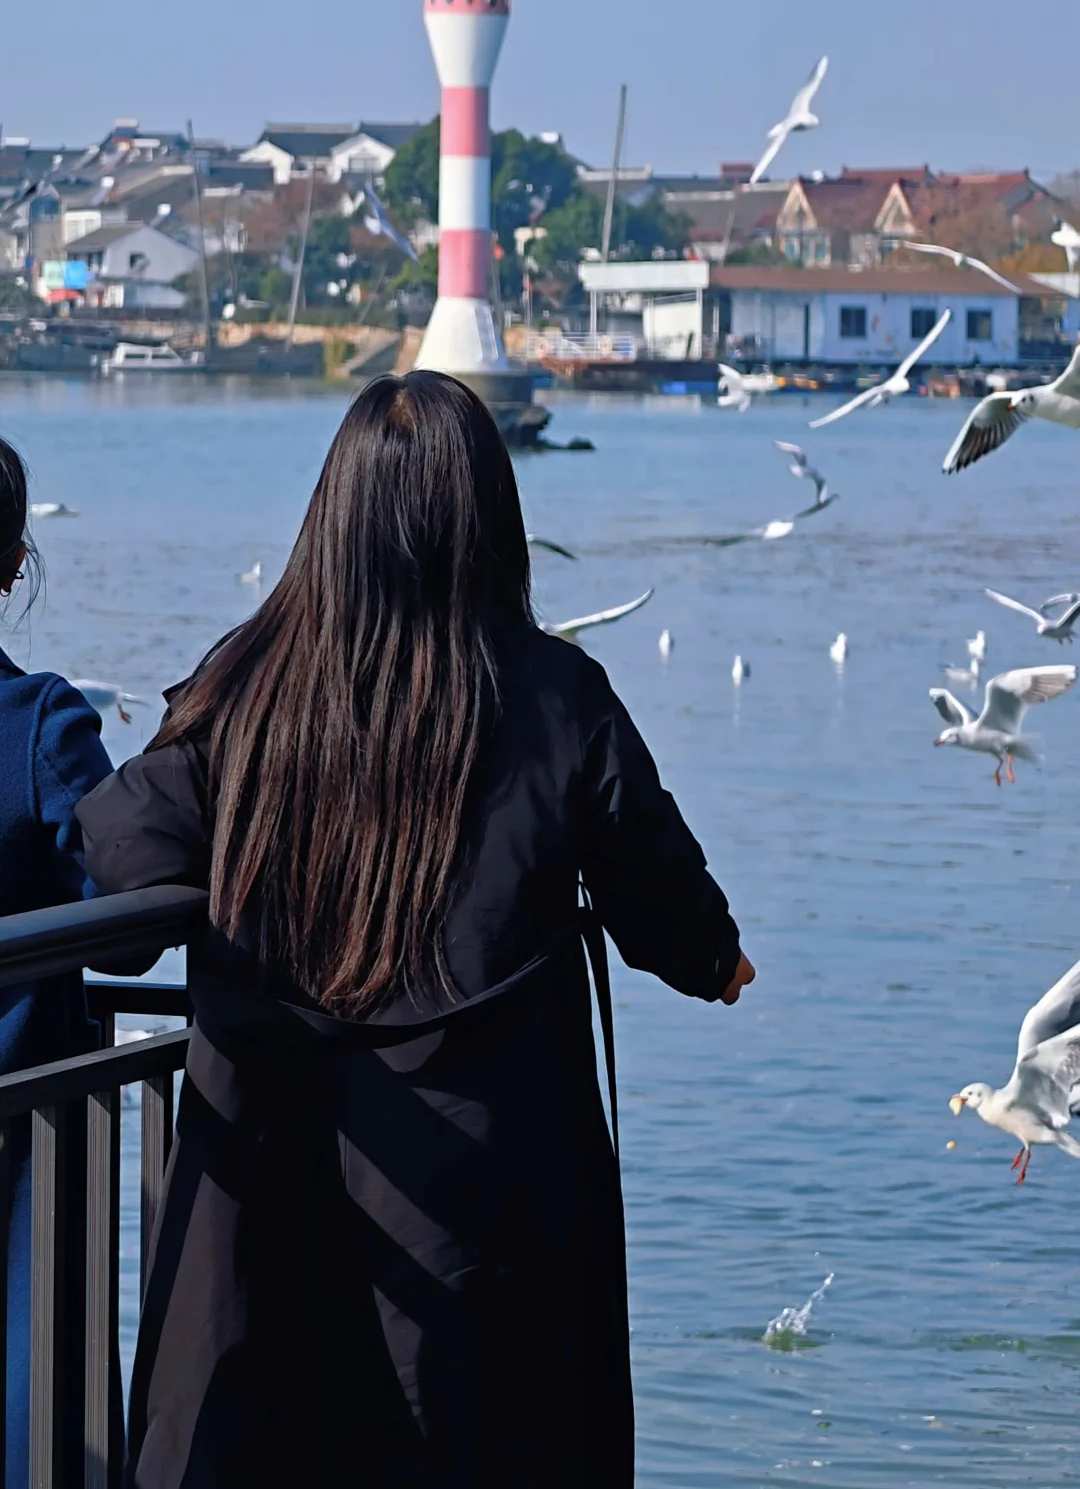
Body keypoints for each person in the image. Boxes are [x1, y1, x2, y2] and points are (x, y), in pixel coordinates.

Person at [78, 370, 754, 1489]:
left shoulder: (249, 687)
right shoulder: (555, 693)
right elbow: (659, 889)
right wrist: (714, 962)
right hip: (487, 1212)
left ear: (332, 519)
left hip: (268, 1189)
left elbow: (123, 856)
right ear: (489, 518)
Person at [0, 439, 113, 1489]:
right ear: (13, 566)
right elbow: (129, 927)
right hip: (25, 1125)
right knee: (36, 1409)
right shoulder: (41, 724)